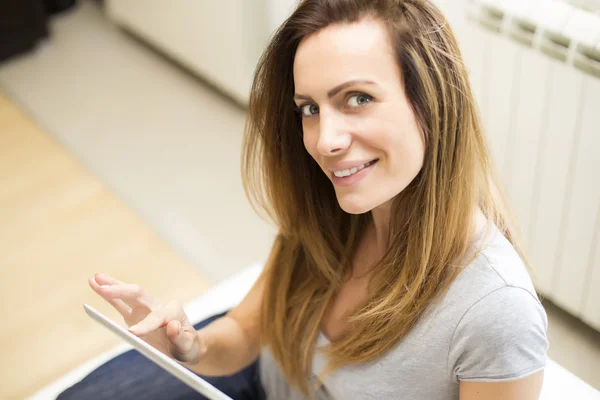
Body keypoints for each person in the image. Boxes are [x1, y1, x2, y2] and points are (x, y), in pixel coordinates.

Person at [60, 0, 549, 399]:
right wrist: (189, 346)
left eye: (357, 98)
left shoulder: (497, 314)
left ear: (434, 104)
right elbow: (247, 335)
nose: (324, 140)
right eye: (309, 109)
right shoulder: (332, 212)